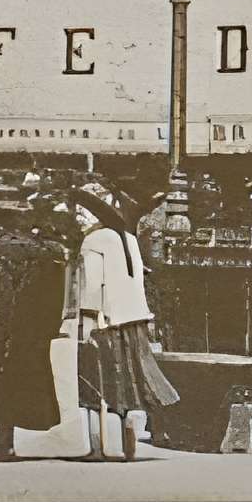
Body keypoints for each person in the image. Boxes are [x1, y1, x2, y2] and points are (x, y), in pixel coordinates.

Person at [0, 177, 72, 461]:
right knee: (20, 379)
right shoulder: (41, 248)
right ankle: (5, 438)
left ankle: (2, 438)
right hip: (27, 329)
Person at [67, 184, 179, 461]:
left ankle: (97, 447)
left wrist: (87, 322)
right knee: (130, 385)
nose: (78, 218)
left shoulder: (92, 242)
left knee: (96, 385)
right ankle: (129, 447)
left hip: (106, 322)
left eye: (80, 213)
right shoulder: (128, 238)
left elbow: (92, 286)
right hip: (134, 320)